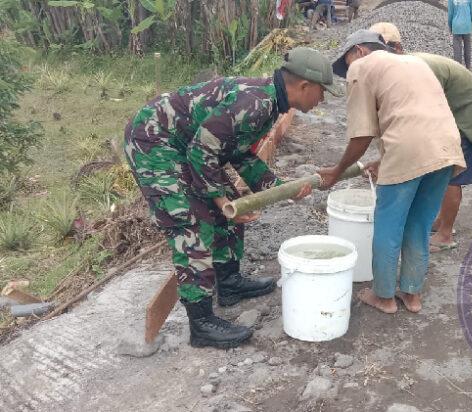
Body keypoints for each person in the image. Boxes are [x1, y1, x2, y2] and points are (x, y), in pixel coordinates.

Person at [124, 47, 340, 349]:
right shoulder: (256, 103)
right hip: (155, 143)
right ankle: (201, 325)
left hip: (189, 147)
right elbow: (201, 153)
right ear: (305, 86)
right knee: (192, 224)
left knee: (233, 205)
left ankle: (229, 283)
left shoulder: (270, 102)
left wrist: (281, 187)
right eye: (323, 92)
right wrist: (221, 203)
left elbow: (238, 154)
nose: (322, 100)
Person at [319, 30, 466, 314]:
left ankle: (384, 296)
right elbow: (409, 119)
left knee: (388, 224)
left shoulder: (361, 67)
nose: (348, 70)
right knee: (419, 224)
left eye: (347, 62)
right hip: (445, 148)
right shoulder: (412, 62)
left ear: (359, 50)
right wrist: (384, 161)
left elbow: (361, 135)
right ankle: (412, 295)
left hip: (410, 150)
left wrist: (337, 171)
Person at [369, 22, 472, 252]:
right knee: (440, 169)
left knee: (451, 174)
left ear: (398, 48)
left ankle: (445, 234)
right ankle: (442, 220)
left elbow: (414, 121)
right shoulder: (402, 67)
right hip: (452, 115)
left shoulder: (414, 68)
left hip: (469, 118)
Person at [447, 0, 472, 69]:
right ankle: (468, 68)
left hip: (456, 26)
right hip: (467, 25)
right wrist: (471, 23)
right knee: (467, 47)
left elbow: (450, 13)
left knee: (457, 49)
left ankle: (458, 69)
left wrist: (450, 26)